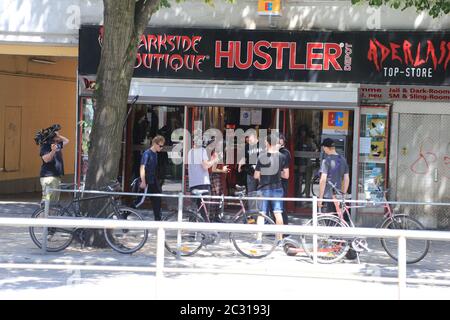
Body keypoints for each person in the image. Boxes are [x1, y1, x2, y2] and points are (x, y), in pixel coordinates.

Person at [318, 137, 356, 260]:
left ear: (326, 148)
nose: (323, 149)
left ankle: (334, 250)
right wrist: (343, 193)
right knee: (341, 222)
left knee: (330, 223)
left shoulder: (326, 161)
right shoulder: (343, 160)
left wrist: (320, 197)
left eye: (324, 147)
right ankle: (343, 248)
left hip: (329, 196)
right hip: (339, 197)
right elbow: (346, 178)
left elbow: (323, 180)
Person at [254, 134, 289, 240]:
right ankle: (279, 239)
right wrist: (278, 174)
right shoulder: (282, 156)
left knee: (261, 214)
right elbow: (286, 175)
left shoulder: (261, 156)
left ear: (268, 143)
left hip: (264, 188)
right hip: (277, 188)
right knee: (278, 213)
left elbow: (256, 175)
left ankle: (259, 239)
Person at [188, 135, 218, 221]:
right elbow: (205, 166)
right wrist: (214, 160)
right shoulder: (202, 151)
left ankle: (191, 233)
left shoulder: (190, 152)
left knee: (194, 211)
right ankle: (206, 232)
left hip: (193, 184)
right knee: (204, 212)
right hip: (203, 183)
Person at [39, 129, 69, 206]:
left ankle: (50, 216)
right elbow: (46, 159)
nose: (58, 137)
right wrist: (53, 151)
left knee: (54, 202)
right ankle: (42, 216)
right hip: (48, 177)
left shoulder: (57, 145)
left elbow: (67, 141)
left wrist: (58, 136)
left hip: (56, 176)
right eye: (56, 136)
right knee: (47, 199)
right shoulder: (45, 147)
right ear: (52, 137)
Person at [139, 135, 165, 221]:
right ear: (154, 143)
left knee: (157, 198)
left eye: (162, 146)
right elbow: (142, 167)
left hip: (153, 180)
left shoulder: (155, 154)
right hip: (147, 181)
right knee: (139, 201)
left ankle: (157, 218)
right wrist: (143, 181)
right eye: (160, 146)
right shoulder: (147, 154)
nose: (161, 148)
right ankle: (125, 214)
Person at [278, 133, 291, 225]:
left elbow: (286, 175)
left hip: (281, 184)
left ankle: (284, 230)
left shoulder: (285, 153)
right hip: (277, 184)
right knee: (277, 208)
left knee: (280, 208)